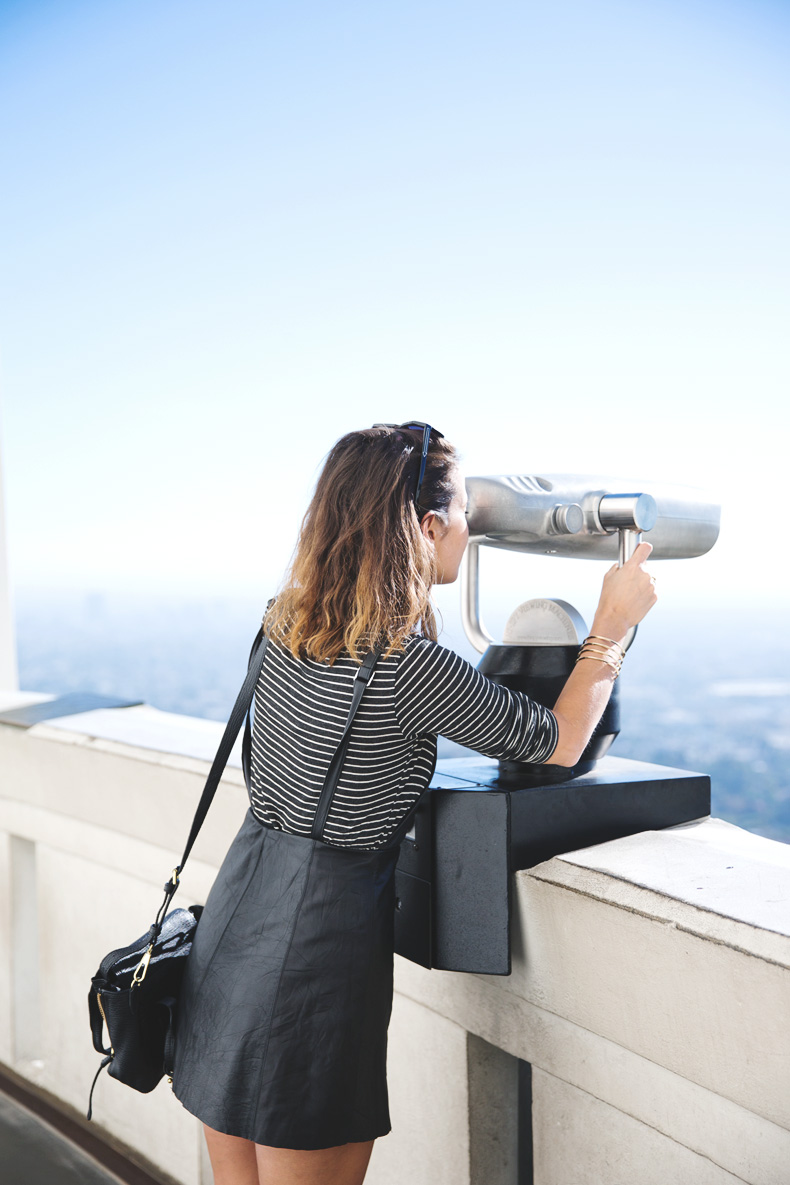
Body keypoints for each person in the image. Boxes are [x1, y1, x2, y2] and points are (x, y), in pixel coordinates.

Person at [171, 423, 656, 1185]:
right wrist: (611, 629)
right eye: (463, 512)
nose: (469, 527)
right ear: (428, 528)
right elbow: (557, 739)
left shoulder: (283, 619)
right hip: (314, 968)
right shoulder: (406, 668)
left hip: (231, 936)